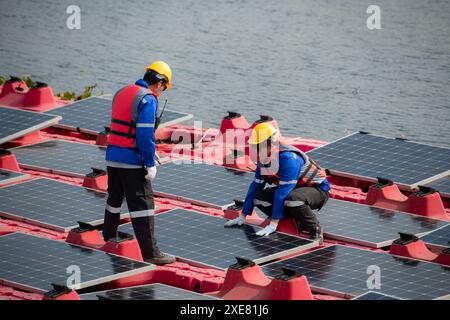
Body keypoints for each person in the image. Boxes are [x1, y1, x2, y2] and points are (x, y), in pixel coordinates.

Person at [103, 61, 176, 265]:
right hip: (132, 161)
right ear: (160, 82)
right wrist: (149, 161)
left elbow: (126, 126)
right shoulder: (148, 99)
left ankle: (108, 236)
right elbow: (144, 134)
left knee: (114, 200)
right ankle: (151, 252)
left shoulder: (122, 92)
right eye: (164, 86)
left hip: (112, 157)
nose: (162, 91)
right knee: (143, 205)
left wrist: (148, 152)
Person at [224, 123, 330, 243]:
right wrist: (243, 216)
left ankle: (314, 228)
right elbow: (256, 186)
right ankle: (293, 217)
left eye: (260, 146)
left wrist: (273, 223)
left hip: (318, 191)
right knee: (258, 198)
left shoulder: (289, 158)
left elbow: (283, 191)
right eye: (256, 146)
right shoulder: (263, 159)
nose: (257, 150)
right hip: (293, 191)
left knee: (292, 198)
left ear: (271, 143)